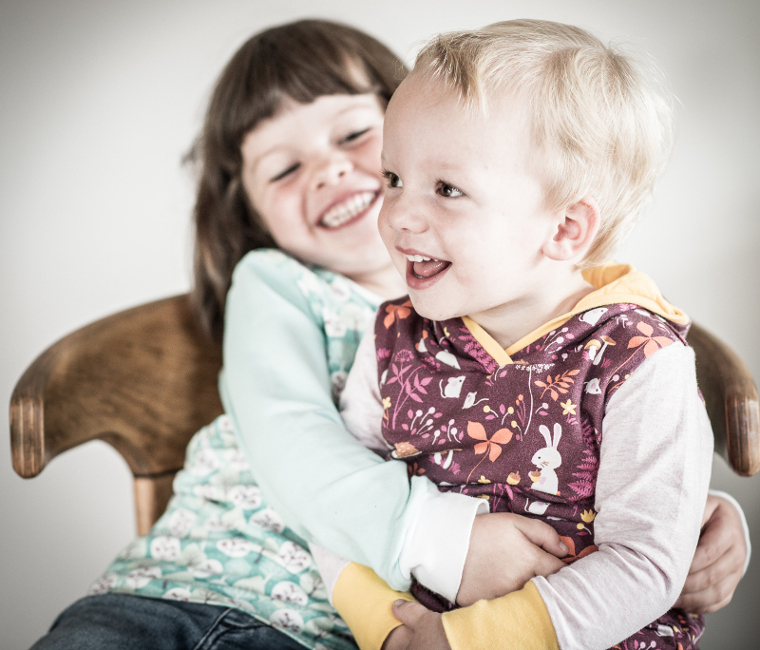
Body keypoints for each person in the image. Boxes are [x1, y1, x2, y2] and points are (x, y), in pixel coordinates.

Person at [29, 18, 748, 650]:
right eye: (285, 168)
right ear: (243, 204)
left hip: (349, 629)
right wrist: (445, 545)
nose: (336, 170)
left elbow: (574, 467)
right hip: (189, 590)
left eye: (353, 137)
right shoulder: (291, 288)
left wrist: (697, 512)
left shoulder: (546, 324)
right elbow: (295, 446)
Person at [310, 19, 746, 650]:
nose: (399, 214)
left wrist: (465, 640)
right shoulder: (396, 337)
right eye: (394, 178)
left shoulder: (637, 361)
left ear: (566, 229)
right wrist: (381, 622)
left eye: (448, 189)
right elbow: (341, 498)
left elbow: (648, 562)